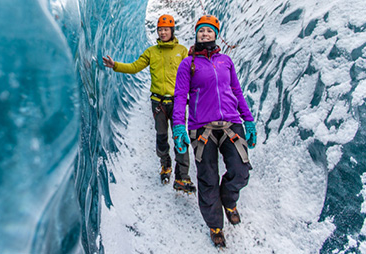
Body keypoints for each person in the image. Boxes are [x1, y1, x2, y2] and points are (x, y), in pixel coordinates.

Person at [172, 15, 258, 248]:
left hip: (231, 123)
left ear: (216, 35)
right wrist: (179, 126)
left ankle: (229, 201)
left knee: (240, 171)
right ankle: (215, 224)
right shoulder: (187, 64)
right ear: (196, 34)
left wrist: (248, 120)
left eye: (209, 31)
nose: (205, 34)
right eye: (201, 31)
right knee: (208, 179)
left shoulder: (226, 61)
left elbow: (237, 91)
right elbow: (180, 97)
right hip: (202, 128)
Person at [102, 14, 196, 193]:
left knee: (179, 137)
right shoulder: (151, 52)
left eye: (166, 29)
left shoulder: (182, 51)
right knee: (161, 136)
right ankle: (165, 165)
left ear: (172, 30)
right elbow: (135, 67)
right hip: (158, 102)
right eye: (160, 29)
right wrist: (116, 65)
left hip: (177, 102)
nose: (162, 32)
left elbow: (193, 73)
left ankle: (182, 176)